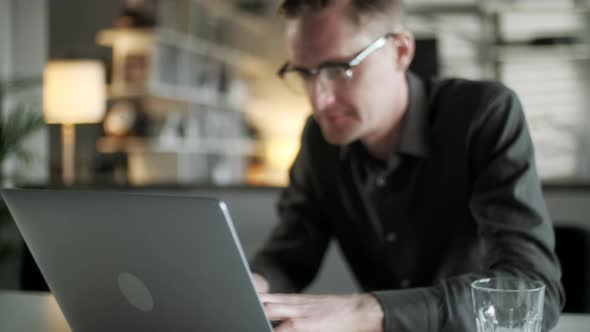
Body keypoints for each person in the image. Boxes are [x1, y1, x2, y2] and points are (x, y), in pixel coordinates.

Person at [249, 0, 565, 331]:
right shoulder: (318, 140)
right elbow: (290, 252)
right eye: (304, 73)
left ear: (400, 50)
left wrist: (365, 311)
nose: (319, 99)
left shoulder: (482, 114)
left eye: (340, 69)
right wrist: (253, 285)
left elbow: (532, 294)